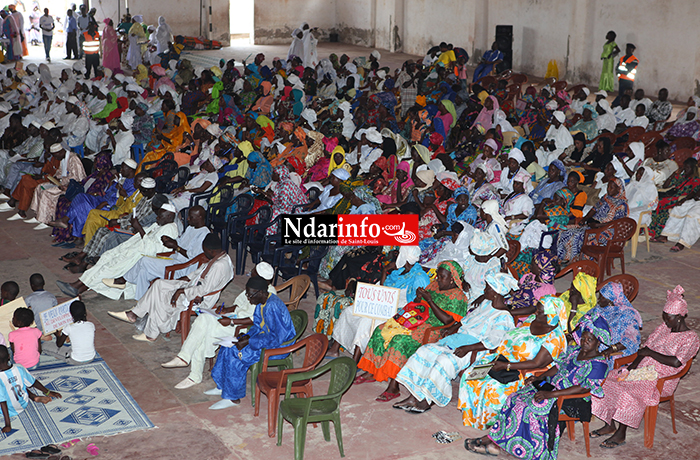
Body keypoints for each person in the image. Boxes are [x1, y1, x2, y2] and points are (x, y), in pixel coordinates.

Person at [466, 315, 611, 459]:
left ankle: (520, 448)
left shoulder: (599, 364)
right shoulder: (575, 351)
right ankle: (494, 440)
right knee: (514, 398)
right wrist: (539, 377)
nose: (585, 342)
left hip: (569, 399)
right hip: (550, 388)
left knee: (528, 408)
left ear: (598, 343)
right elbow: (557, 368)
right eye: (584, 338)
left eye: (590, 340)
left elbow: (583, 389)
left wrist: (551, 395)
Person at [591, 285, 699, 449]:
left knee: (626, 392)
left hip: (660, 378)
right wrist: (630, 369)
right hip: (642, 370)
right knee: (607, 381)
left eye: (668, 318)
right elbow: (643, 351)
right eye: (664, 317)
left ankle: (621, 434)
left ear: (678, 317)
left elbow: (677, 362)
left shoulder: (690, 338)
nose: (665, 321)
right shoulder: (664, 328)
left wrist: (650, 354)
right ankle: (610, 423)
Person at [393, 272, 518, 412]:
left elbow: (493, 342)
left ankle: (427, 400)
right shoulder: (486, 304)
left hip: (475, 350)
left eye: (488, 288)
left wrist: (467, 348)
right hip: (460, 340)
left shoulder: (504, 317)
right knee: (425, 350)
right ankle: (414, 396)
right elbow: (466, 321)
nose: (484, 290)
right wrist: (454, 328)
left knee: (443, 361)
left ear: (496, 293)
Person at [355, 260, 471, 402]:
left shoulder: (459, 296)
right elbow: (418, 304)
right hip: (416, 319)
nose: (438, 279)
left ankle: (394, 386)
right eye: (438, 276)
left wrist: (430, 301)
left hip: (432, 328)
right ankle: (373, 371)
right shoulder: (434, 285)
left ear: (453, 279)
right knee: (380, 330)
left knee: (400, 340)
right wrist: (420, 297)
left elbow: (448, 321)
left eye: (442, 277)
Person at [458, 296, 567, 429]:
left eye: (540, 311)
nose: (536, 313)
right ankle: (472, 416)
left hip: (522, 371)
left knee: (493, 387)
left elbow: (536, 363)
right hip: (502, 359)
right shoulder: (533, 319)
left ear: (552, 315)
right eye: (537, 310)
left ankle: (491, 421)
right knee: (471, 375)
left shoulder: (555, 338)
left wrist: (507, 366)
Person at [162, 262, 275, 389]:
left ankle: (194, 375)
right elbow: (239, 304)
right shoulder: (254, 286)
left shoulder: (268, 295)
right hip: (234, 319)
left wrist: (231, 322)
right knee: (203, 319)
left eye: (253, 272)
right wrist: (226, 310)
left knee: (202, 333)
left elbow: (257, 320)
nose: (250, 273)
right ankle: (184, 357)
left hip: (244, 329)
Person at [107, 234, 234, 342]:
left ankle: (150, 333)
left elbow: (204, 290)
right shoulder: (221, 257)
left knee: (161, 296)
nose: (204, 254)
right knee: (159, 284)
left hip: (199, 298)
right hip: (192, 285)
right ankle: (134, 314)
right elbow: (199, 273)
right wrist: (182, 280)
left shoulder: (220, 266)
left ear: (211, 251)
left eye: (205, 251)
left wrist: (180, 290)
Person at [207, 276, 296, 410]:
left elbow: (277, 337)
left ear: (260, 292)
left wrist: (250, 341)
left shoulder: (272, 306)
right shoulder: (261, 302)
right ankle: (223, 386)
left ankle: (233, 397)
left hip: (278, 347)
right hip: (264, 339)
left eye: (250, 295)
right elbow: (258, 325)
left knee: (237, 353)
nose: (248, 298)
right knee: (228, 346)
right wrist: (246, 336)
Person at [56, 203, 179, 298]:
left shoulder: (170, 229)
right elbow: (146, 234)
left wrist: (139, 229)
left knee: (109, 267)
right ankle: (78, 285)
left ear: (169, 216)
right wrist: (138, 228)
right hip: (133, 250)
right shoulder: (160, 224)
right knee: (106, 258)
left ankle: (78, 287)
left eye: (160, 216)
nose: (157, 217)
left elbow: (153, 249)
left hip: (141, 256)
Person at [107, 206, 210, 300]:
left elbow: (193, 256)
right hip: (175, 260)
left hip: (183, 268)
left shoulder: (204, 234)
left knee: (145, 261)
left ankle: (123, 280)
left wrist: (176, 247)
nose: (187, 219)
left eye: (191, 217)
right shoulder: (191, 228)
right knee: (144, 272)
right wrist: (171, 240)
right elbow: (181, 242)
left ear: (200, 217)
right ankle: (141, 304)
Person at [557, 178, 628, 262]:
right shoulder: (605, 197)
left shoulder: (621, 205)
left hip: (606, 231)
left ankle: (577, 261)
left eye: (611, 187)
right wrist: (585, 219)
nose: (608, 189)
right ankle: (564, 258)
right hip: (594, 225)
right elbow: (594, 209)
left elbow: (616, 223)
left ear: (618, 189)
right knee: (563, 230)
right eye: (608, 187)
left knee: (577, 236)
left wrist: (598, 225)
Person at [0, 345, 61, 434]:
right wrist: (47, 391)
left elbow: (2, 402)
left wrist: (8, 424)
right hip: (23, 401)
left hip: (9, 410)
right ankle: (33, 396)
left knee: (7, 388)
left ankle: (33, 396)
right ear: (9, 356)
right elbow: (33, 382)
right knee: (19, 383)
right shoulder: (19, 368)